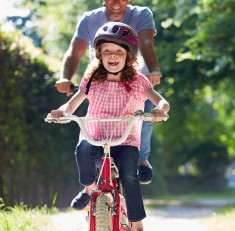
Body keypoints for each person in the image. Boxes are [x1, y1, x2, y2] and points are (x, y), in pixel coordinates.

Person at [48, 22, 170, 231]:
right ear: (99, 54)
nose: (112, 56)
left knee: (130, 177)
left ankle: (138, 228)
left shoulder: (137, 80)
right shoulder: (93, 78)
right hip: (95, 136)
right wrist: (62, 111)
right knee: (82, 149)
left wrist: (161, 109)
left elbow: (159, 100)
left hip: (125, 140)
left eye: (118, 52)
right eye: (106, 51)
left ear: (129, 56)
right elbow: (73, 103)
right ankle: (89, 189)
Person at [55, 0, 160, 184]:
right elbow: (75, 51)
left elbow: (145, 42)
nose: (116, 2)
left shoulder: (142, 14)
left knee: (144, 117)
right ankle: (90, 188)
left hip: (133, 82)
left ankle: (141, 160)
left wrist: (153, 70)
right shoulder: (89, 18)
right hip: (102, 81)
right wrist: (66, 77)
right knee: (92, 130)